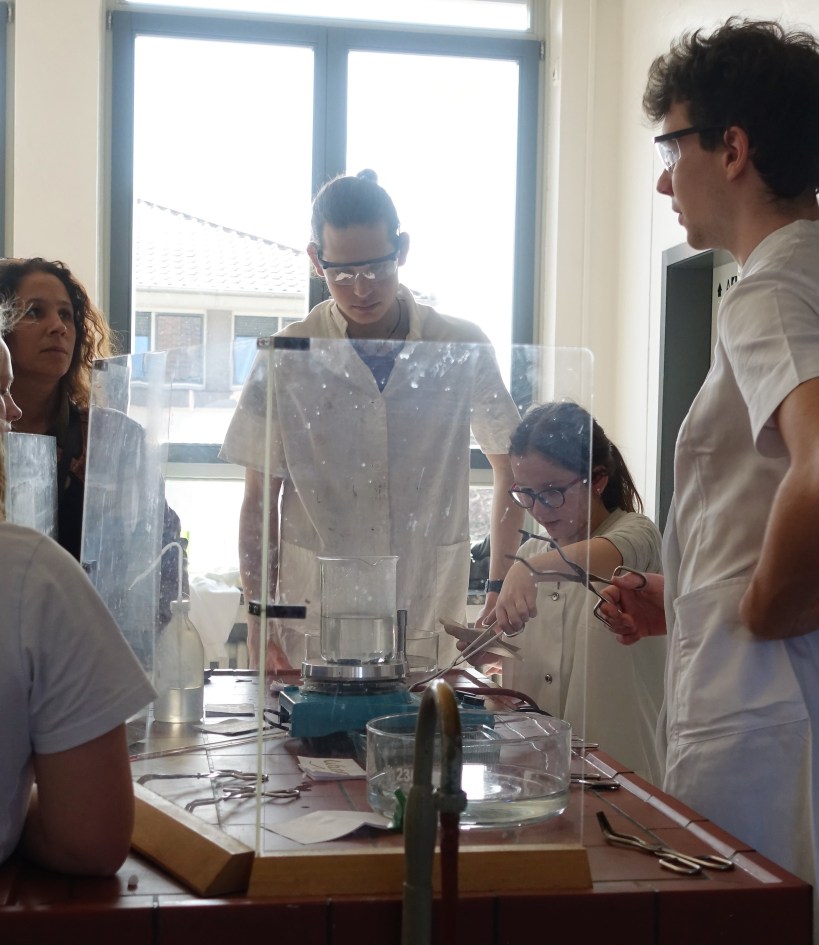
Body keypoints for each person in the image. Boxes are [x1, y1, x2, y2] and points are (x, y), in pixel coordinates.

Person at [597, 19, 819, 945]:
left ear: (731, 147)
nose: (662, 180)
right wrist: (688, 600)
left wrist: (760, 611)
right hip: (784, 695)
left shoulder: (766, 290)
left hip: (764, 708)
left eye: (670, 146)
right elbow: (766, 497)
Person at [221, 170, 523, 669]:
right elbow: (258, 501)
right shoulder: (287, 354)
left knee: (422, 718)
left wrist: (498, 581)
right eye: (342, 274)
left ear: (401, 250)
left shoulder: (458, 345)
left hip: (424, 603)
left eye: (377, 268)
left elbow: (509, 466)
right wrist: (258, 616)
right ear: (316, 260)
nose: (361, 289)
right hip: (315, 611)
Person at [0, 331, 155, 874]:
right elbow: (89, 837)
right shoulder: (29, 575)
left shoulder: (109, 434)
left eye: (66, 314)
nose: (13, 412)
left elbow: (153, 537)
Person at [473, 401, 665, 783]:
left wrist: (525, 570)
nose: (539, 509)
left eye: (551, 491)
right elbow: (524, 664)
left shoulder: (637, 533)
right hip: (535, 773)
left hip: (620, 771)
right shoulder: (531, 553)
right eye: (525, 493)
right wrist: (487, 654)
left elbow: (605, 557)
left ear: (597, 479)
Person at [0, 257, 185, 627]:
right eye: (35, 312)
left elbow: (165, 549)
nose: (58, 327)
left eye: (66, 315)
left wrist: (142, 635)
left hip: (95, 640)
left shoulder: (114, 438)